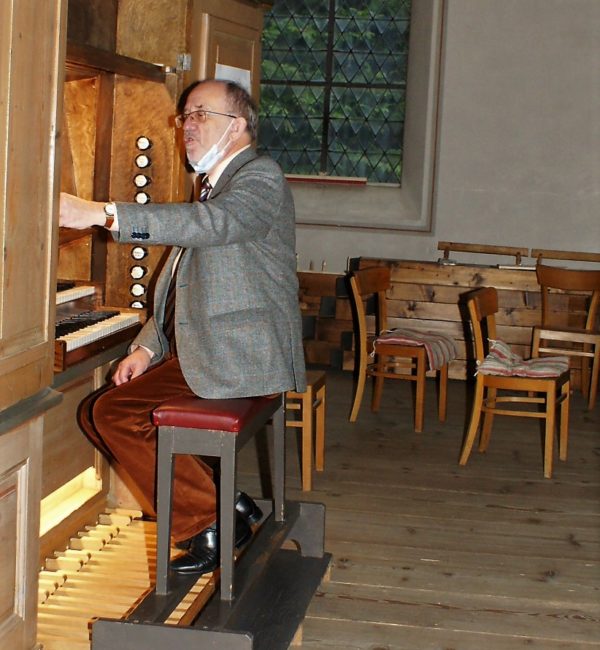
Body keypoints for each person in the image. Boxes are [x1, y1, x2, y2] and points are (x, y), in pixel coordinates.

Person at [59, 79, 306, 575]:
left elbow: (214, 226)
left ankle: (207, 527)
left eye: (200, 115)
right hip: (208, 345)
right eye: (185, 116)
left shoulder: (260, 176)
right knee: (98, 413)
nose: (187, 125)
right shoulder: (211, 185)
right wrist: (147, 349)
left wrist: (102, 214)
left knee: (114, 414)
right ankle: (225, 504)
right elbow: (179, 283)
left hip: (242, 353)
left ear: (237, 126)